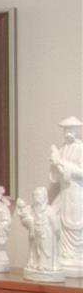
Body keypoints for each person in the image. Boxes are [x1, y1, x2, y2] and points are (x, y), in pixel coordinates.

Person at [50, 116, 83, 275]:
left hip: (76, 192)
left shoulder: (81, 149)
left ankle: (76, 254)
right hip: (64, 191)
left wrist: (62, 164)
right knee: (58, 217)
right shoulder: (62, 149)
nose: (67, 133)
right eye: (65, 130)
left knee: (74, 222)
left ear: (76, 131)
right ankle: (64, 252)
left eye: (70, 130)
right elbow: (56, 178)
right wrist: (54, 164)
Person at [15, 186, 64, 283]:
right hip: (35, 233)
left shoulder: (49, 210)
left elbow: (56, 225)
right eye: (35, 195)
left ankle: (45, 266)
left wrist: (57, 233)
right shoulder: (32, 209)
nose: (36, 197)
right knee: (36, 250)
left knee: (45, 250)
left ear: (44, 197)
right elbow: (25, 217)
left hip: (46, 233)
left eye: (39, 195)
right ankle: (36, 264)